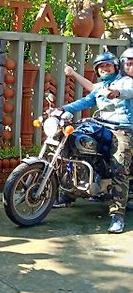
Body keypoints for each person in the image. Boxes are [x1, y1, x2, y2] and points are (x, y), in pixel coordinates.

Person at [55, 52, 133, 233]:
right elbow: (85, 101)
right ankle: (68, 194)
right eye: (100, 66)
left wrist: (117, 93)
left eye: (108, 65)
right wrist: (62, 109)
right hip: (100, 125)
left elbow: (129, 90)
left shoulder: (125, 81)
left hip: (122, 129)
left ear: (115, 66)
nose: (104, 68)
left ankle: (117, 215)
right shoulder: (100, 87)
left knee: (119, 167)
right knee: (73, 146)